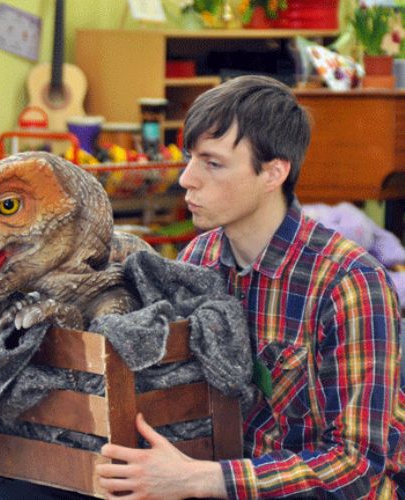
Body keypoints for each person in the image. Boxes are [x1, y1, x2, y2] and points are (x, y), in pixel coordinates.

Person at [95, 75, 404, 499]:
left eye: (213, 163)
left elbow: (355, 465)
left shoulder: (350, 284)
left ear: (273, 173)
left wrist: (199, 478)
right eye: (190, 158)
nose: (186, 179)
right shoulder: (198, 258)